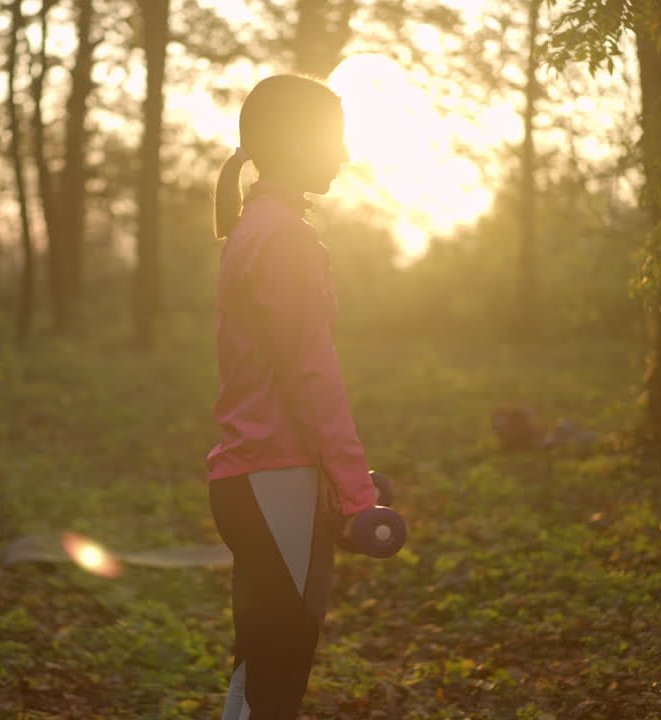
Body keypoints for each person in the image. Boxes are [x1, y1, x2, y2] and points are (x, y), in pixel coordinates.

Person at [206, 74, 379, 720]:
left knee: (258, 671)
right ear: (293, 142)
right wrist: (356, 492)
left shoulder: (260, 226)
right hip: (277, 482)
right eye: (333, 140)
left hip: (254, 478)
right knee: (277, 682)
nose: (344, 155)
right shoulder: (285, 239)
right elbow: (311, 375)